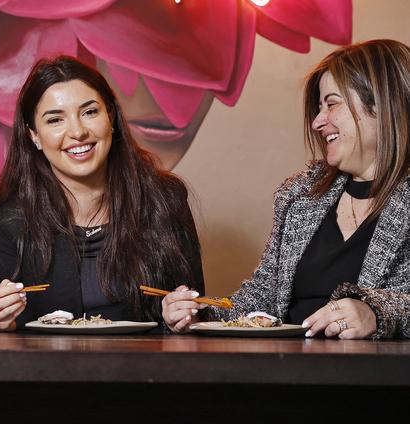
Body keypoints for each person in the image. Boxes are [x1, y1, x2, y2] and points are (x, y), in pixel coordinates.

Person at [163, 39, 410, 339]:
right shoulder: (300, 195)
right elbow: (260, 297)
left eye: (331, 104)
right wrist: (200, 314)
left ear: (383, 105)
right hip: (291, 371)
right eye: (319, 108)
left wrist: (378, 314)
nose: (318, 122)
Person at [0, 56, 204, 331]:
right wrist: (1, 323)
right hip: (50, 371)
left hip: (147, 369)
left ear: (111, 118)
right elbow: (10, 337)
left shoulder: (164, 200)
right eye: (55, 120)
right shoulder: (14, 221)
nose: (77, 131)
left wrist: (180, 317)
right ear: (34, 136)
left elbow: (195, 312)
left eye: (90, 112)